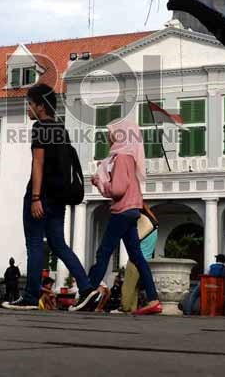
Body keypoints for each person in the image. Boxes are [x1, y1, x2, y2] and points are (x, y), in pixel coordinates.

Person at [3, 84, 98, 311]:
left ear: (40, 106)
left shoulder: (40, 127)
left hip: (42, 197)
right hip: (58, 199)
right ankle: (86, 287)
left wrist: (35, 197)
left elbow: (38, 163)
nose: (27, 108)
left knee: (35, 245)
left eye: (30, 104)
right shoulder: (61, 129)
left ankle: (29, 297)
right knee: (59, 245)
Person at [77, 117, 161, 315]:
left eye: (112, 132)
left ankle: (88, 292)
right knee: (137, 256)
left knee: (103, 252)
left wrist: (100, 183)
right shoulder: (128, 157)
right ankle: (153, 298)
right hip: (132, 210)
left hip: (122, 211)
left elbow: (117, 190)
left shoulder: (122, 157)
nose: (109, 135)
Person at [121, 205, 159, 313]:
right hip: (146, 261)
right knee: (135, 288)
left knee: (128, 287)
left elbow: (134, 238)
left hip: (136, 259)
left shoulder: (142, 221)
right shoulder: (154, 222)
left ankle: (125, 308)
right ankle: (132, 309)